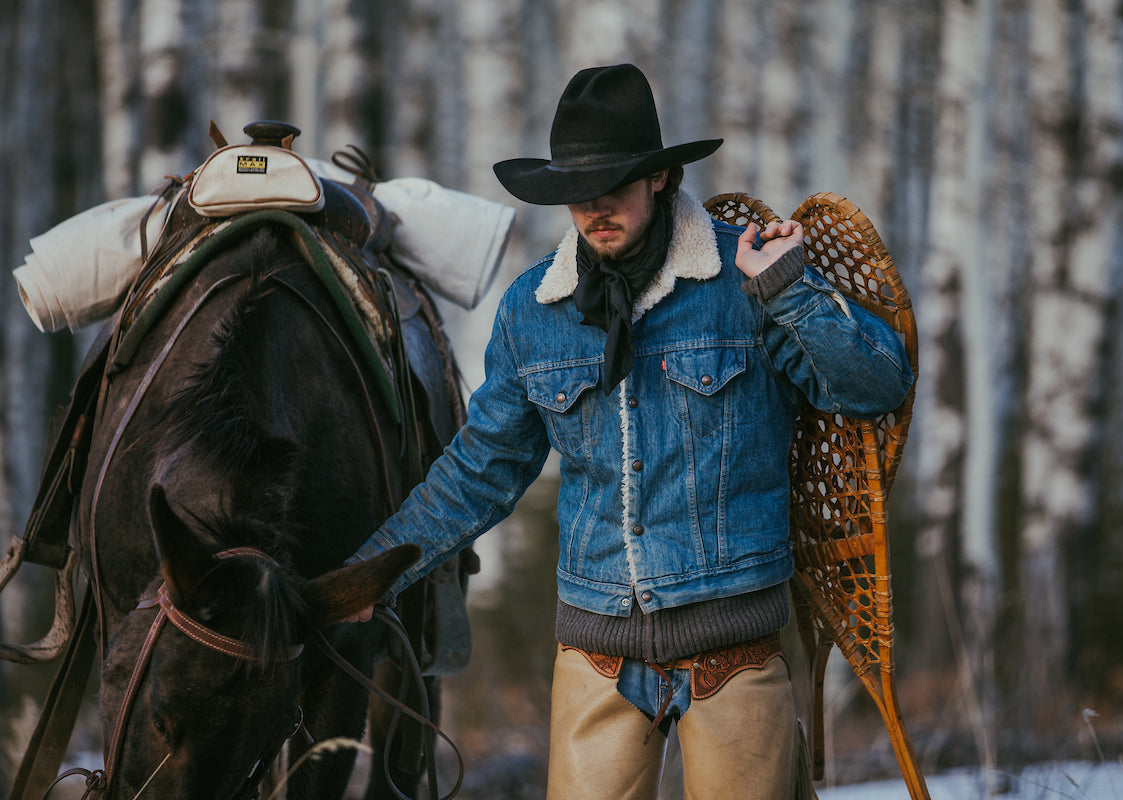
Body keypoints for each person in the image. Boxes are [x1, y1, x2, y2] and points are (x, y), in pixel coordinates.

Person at [348, 63, 914, 799]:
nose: (594, 206)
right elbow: (480, 469)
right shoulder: (534, 310)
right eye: (575, 191)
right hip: (595, 652)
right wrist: (370, 573)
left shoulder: (744, 277)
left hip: (734, 649)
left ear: (660, 179)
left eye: (613, 183)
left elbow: (876, 388)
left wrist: (792, 291)